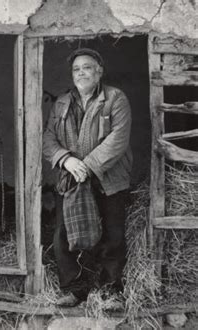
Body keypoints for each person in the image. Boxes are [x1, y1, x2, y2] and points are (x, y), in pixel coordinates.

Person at [43, 48, 132, 307]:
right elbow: (48, 137)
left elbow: (119, 138)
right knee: (63, 235)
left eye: (87, 67)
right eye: (76, 69)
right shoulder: (61, 103)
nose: (81, 73)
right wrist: (67, 160)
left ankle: (111, 291)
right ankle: (73, 289)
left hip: (108, 177)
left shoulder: (115, 98)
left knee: (113, 235)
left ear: (99, 71)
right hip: (71, 177)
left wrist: (88, 165)